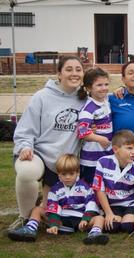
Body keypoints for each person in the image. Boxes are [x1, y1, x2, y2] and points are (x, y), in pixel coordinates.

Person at [11, 56, 86, 230]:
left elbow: (104, 94)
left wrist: (121, 90)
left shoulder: (85, 99)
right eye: (69, 69)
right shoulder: (42, 96)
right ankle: (25, 217)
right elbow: (25, 129)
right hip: (38, 154)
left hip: (63, 162)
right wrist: (25, 147)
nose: (74, 73)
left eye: (78, 69)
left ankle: (38, 210)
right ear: (59, 74)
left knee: (48, 209)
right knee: (28, 171)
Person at [7, 154, 109, 245]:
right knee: (37, 209)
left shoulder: (85, 187)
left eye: (71, 174)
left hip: (80, 221)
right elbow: (54, 207)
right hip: (61, 221)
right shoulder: (55, 189)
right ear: (58, 174)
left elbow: (91, 204)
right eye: (64, 174)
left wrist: (85, 219)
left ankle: (94, 234)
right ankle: (30, 229)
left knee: (99, 218)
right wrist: (54, 224)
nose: (67, 177)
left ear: (77, 173)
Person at [92, 130, 134, 233]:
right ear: (115, 149)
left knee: (128, 226)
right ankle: (115, 217)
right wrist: (108, 213)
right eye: (129, 148)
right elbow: (99, 190)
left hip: (130, 204)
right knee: (112, 227)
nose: (133, 152)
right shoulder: (102, 162)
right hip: (113, 205)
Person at [77, 67, 113, 185]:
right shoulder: (89, 109)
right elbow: (82, 131)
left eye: (106, 84)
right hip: (91, 160)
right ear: (88, 88)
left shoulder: (105, 101)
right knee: (90, 189)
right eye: (99, 85)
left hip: (105, 155)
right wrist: (101, 139)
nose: (104, 88)